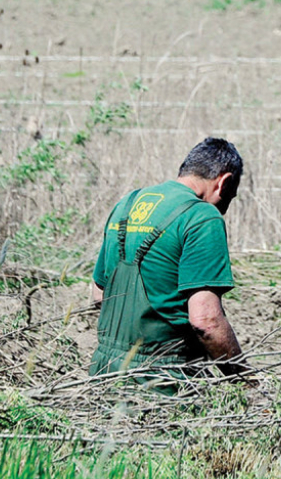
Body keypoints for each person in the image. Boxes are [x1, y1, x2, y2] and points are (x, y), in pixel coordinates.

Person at [89, 137, 248, 391]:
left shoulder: (127, 203)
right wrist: (244, 380)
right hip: (163, 384)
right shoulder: (202, 216)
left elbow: (99, 294)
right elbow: (206, 321)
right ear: (224, 182)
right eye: (229, 199)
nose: (224, 211)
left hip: (102, 376)